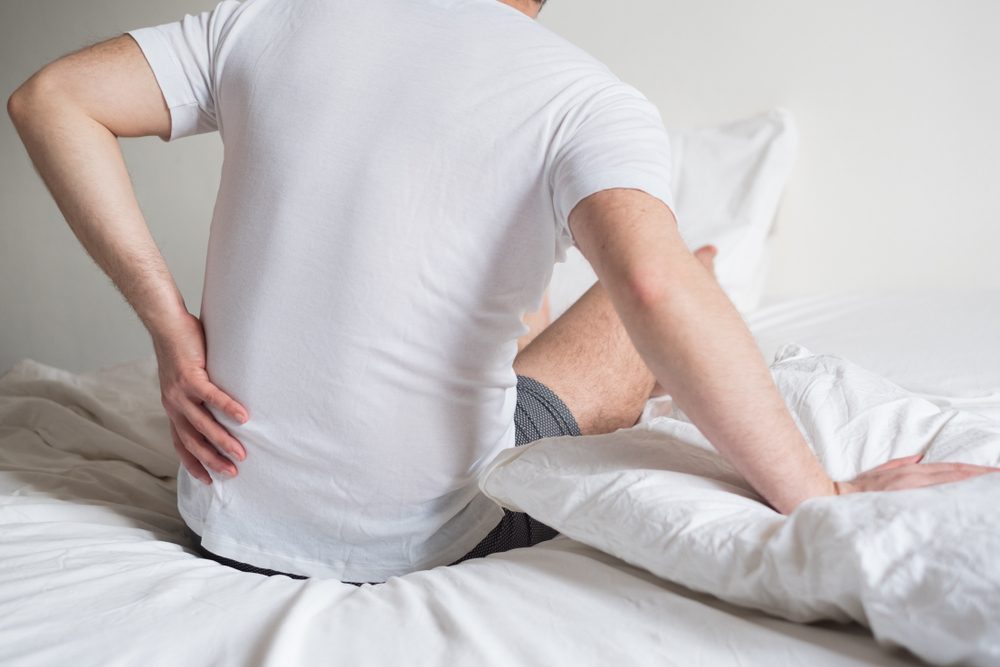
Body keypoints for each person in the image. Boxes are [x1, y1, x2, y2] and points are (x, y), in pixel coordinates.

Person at [8, 0, 997, 586]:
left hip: (220, 518)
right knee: (684, 268)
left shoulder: (271, 18)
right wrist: (820, 498)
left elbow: (47, 98)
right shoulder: (578, 94)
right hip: (430, 538)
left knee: (522, 292)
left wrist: (171, 330)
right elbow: (649, 285)